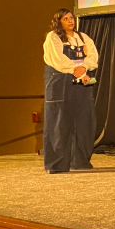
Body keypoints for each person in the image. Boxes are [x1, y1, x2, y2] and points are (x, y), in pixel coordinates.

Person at [43, 9, 98, 173]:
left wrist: (84, 68)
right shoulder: (53, 37)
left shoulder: (83, 37)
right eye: (65, 19)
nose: (70, 21)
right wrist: (76, 70)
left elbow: (93, 56)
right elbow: (58, 59)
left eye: (71, 18)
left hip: (81, 81)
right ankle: (57, 164)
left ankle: (80, 160)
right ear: (58, 22)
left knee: (83, 121)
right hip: (60, 81)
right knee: (59, 123)